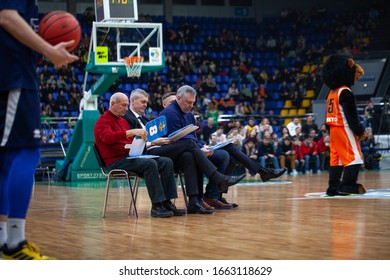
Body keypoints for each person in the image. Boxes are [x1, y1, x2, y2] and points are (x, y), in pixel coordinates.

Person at [0, 3, 78, 260]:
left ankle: (4, 239)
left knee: (6, 160)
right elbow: (7, 17)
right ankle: (14, 242)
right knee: (26, 152)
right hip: (14, 78)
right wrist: (48, 50)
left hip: (13, 74)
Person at [123, 89, 245, 212]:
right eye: (143, 102)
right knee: (189, 144)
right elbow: (131, 141)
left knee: (189, 156)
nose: (145, 104)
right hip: (146, 153)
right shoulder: (126, 117)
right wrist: (153, 142)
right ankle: (217, 177)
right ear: (132, 100)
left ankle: (194, 201)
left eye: (146, 102)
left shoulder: (145, 119)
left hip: (160, 149)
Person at [159, 85, 287, 184]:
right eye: (188, 102)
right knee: (226, 155)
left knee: (230, 147)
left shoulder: (189, 114)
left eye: (193, 103)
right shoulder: (169, 114)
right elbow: (176, 141)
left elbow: (193, 139)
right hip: (184, 152)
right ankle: (217, 185)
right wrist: (200, 147)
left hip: (194, 147)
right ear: (178, 99)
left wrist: (203, 146)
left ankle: (260, 171)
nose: (191, 106)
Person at [94, 92, 186, 218]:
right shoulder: (102, 121)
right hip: (115, 161)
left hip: (130, 156)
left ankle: (167, 202)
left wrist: (141, 142)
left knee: (166, 162)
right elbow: (107, 137)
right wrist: (130, 132)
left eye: (127, 106)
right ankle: (156, 205)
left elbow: (128, 142)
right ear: (112, 104)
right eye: (123, 105)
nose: (126, 109)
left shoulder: (122, 121)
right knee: (149, 163)